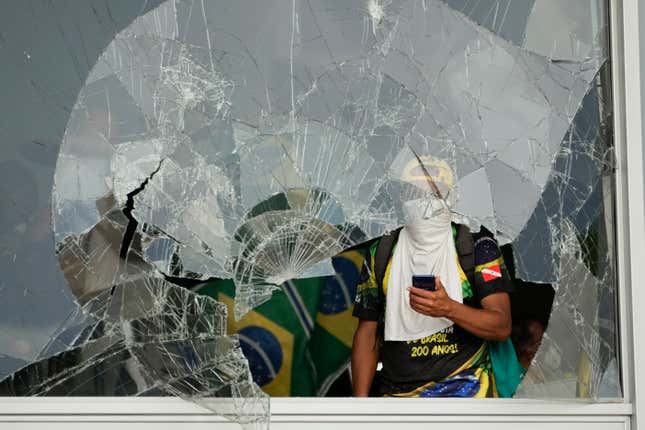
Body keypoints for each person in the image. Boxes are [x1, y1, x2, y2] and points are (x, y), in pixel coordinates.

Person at [351, 156, 514, 397]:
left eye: (434, 193)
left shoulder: (477, 247)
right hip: (398, 399)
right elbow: (368, 333)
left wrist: (449, 309)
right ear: (401, 198)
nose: (424, 202)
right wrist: (359, 407)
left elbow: (501, 325)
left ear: (452, 196)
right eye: (414, 192)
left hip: (470, 394)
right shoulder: (382, 252)